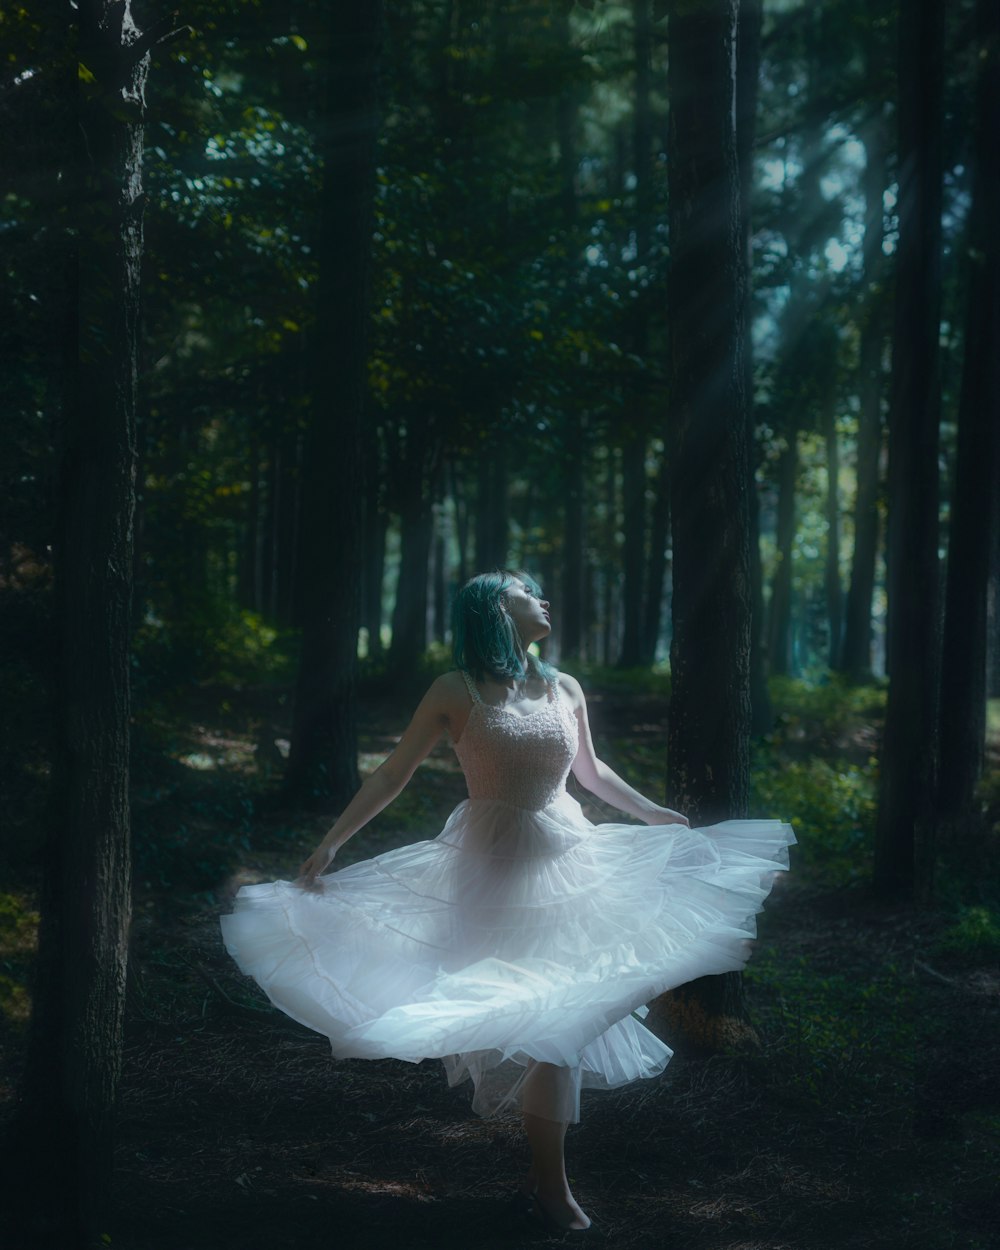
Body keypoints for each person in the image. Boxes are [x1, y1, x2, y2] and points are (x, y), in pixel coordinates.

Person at [221, 570, 794, 1234]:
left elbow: (592, 771)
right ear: (495, 610)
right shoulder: (453, 690)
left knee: (561, 1025)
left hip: (571, 866)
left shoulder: (563, 686)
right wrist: (332, 842)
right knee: (540, 1019)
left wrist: (650, 812)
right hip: (491, 876)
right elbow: (391, 773)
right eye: (527, 593)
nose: (543, 600)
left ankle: (550, 1186)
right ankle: (549, 1185)